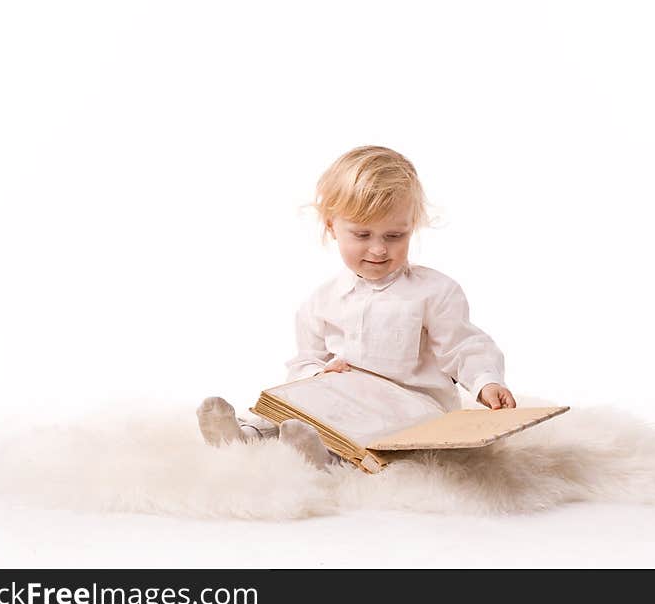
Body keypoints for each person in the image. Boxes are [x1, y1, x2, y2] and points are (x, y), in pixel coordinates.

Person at [197, 145, 516, 469]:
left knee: (361, 433)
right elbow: (305, 360)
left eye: (395, 235)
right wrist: (318, 374)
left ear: (412, 226)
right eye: (362, 234)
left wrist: (486, 381)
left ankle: (322, 457)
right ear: (331, 226)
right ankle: (246, 435)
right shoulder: (323, 300)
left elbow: (463, 346)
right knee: (295, 403)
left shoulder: (434, 292)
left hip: (413, 408)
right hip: (347, 399)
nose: (378, 249)